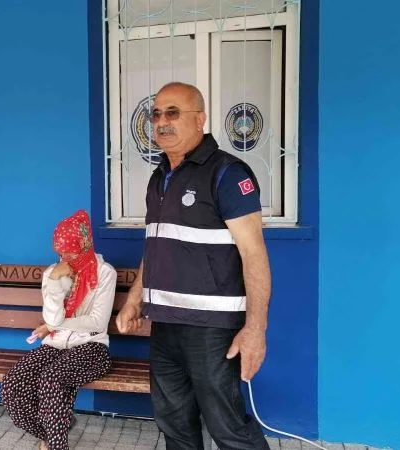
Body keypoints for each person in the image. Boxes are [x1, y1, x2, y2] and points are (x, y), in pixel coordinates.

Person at [116, 82, 272, 450]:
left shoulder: (228, 173)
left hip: (211, 330)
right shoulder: (159, 177)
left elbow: (254, 255)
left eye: (173, 113)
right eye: (156, 114)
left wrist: (255, 329)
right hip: (165, 324)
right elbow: (156, 246)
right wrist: (135, 299)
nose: (162, 122)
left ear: (200, 119)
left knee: (227, 427)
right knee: (175, 425)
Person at [0, 210, 117, 450]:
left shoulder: (105, 273)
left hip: (92, 348)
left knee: (52, 378)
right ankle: (55, 429)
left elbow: (97, 322)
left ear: (85, 245)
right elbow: (52, 318)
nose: (65, 257)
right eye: (60, 252)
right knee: (11, 384)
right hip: (55, 345)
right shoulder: (53, 273)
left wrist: (53, 325)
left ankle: (55, 444)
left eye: (70, 252)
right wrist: (54, 284)